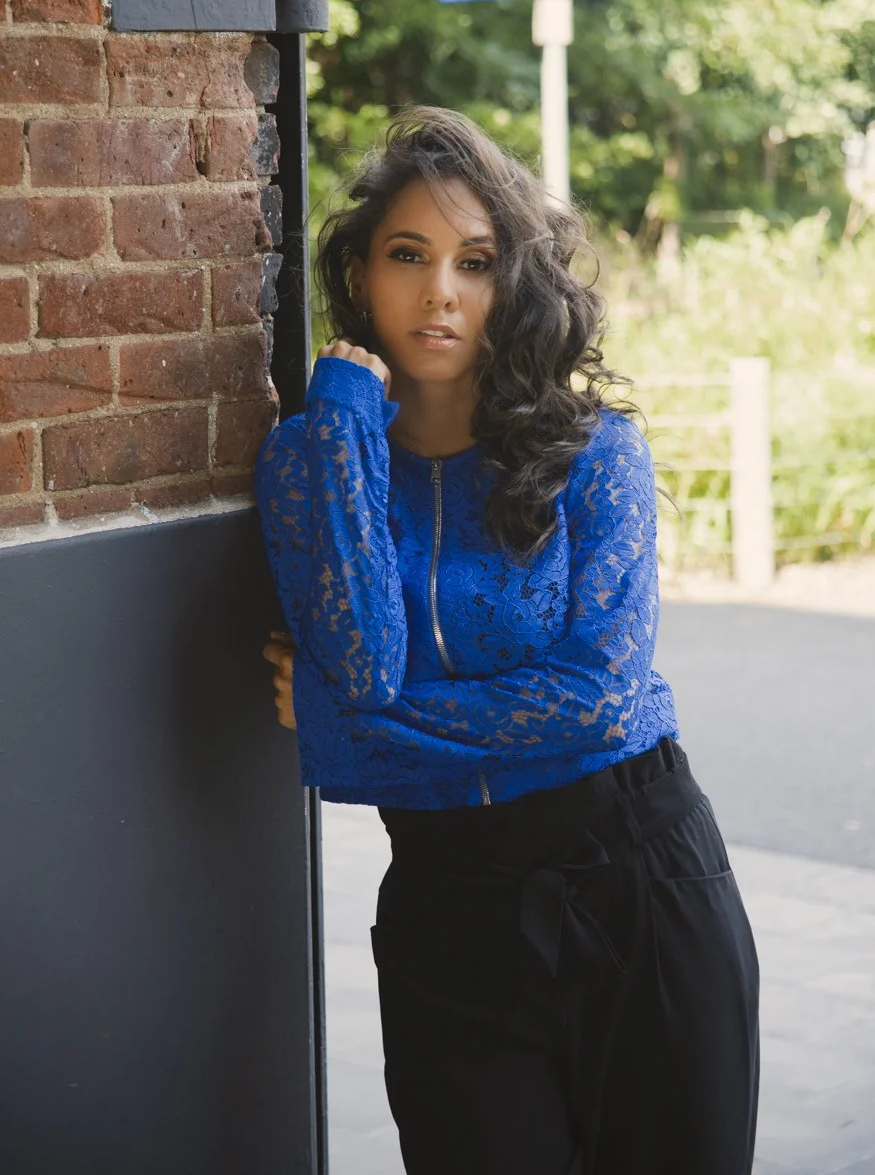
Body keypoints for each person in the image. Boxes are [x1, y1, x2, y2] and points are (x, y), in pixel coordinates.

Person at [255, 106, 760, 1175]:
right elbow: (362, 676)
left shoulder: (595, 454)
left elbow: (599, 701)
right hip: (451, 911)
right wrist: (343, 415)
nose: (440, 291)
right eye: (408, 255)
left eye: (475, 262)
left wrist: (348, 718)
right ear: (362, 276)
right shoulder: (313, 457)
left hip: (640, 881)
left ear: (513, 283)